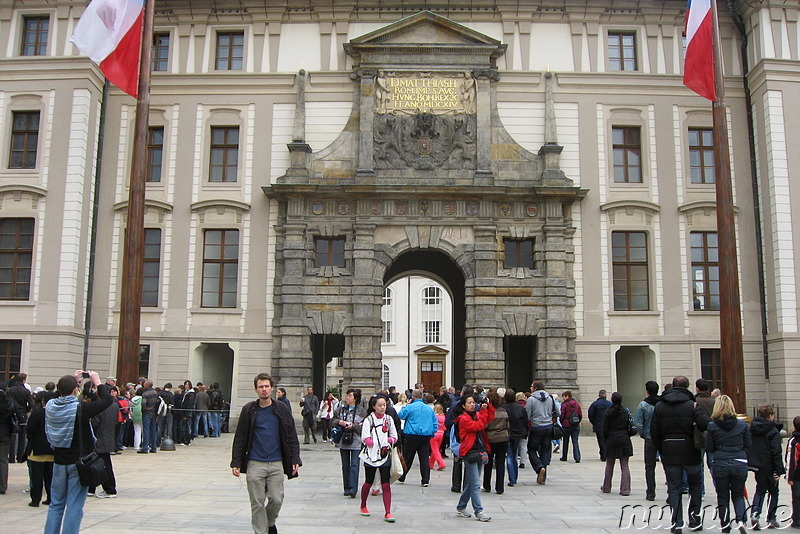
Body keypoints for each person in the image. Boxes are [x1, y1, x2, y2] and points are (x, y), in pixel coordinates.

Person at [231, 373, 301, 534]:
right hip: (255, 463)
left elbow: (291, 435)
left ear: (271, 388)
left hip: (276, 462)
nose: (264, 389)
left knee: (276, 499)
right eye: (261, 387)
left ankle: (269, 523)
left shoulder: (281, 408)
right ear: (256, 389)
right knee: (257, 502)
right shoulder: (249, 409)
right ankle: (261, 532)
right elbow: (240, 437)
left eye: (266, 386)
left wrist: (295, 458)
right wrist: (236, 462)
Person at [44, 371, 113, 534]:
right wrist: (98, 383)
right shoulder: (80, 409)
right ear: (76, 390)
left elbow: (57, 394)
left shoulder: (51, 406)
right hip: (78, 462)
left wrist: (71, 382)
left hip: (59, 461)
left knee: (56, 504)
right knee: (74, 506)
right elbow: (107, 400)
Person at [651, 375, 710, 533]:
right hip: (691, 449)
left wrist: (661, 448)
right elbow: (705, 425)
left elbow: (654, 432)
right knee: (695, 486)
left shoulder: (660, 406)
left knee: (674, 488)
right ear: (687, 387)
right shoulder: (692, 405)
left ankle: (677, 522)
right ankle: (694, 519)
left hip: (669, 449)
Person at [706, 395, 750, 533]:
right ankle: (741, 520)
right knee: (738, 494)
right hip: (739, 461)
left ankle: (725, 524)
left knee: (722, 496)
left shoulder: (712, 426)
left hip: (721, 461)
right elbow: (748, 444)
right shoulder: (742, 425)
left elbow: (709, 447)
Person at [453, 394, 495, 522]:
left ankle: (461, 506)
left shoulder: (476, 415)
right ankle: (479, 510)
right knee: (476, 483)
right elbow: (478, 426)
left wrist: (488, 406)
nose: (472, 404)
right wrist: (482, 411)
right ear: (463, 406)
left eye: (473, 402)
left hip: (479, 451)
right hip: (469, 452)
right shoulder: (463, 419)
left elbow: (489, 418)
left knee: (472, 482)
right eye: (469, 403)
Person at [358, 395, 398, 523]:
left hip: (384, 454)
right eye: (380, 405)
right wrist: (371, 442)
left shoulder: (389, 419)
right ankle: (363, 505)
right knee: (369, 481)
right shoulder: (368, 420)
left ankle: (388, 511)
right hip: (370, 455)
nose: (382, 407)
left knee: (385, 483)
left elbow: (394, 435)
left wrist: (389, 440)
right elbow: (365, 437)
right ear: (373, 406)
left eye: (384, 405)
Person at [748, 404, 785, 529]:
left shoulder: (752, 428)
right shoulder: (772, 430)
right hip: (769, 464)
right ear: (770, 416)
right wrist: (779, 469)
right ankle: (771, 517)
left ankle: (755, 513)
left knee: (760, 489)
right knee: (774, 491)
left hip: (757, 464)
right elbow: (776, 451)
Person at [397, 388, 438, 486]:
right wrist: (431, 432)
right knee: (424, 458)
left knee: (408, 457)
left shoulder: (410, 407)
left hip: (411, 435)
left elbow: (400, 415)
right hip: (425, 435)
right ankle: (425, 480)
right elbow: (435, 423)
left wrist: (406, 405)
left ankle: (402, 476)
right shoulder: (429, 408)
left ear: (413, 397)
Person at [332, 389, 365, 498]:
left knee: (354, 465)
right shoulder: (340, 410)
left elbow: (364, 426)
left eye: (350, 396)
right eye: (347, 396)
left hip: (356, 441)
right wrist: (339, 422)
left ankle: (353, 488)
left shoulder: (361, 411)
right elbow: (332, 421)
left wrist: (353, 426)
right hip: (343, 441)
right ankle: (346, 487)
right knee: (345, 465)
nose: (347, 398)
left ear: (355, 398)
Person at [26, 391, 56, 506]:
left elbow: (30, 429)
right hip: (52, 448)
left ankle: (35, 499)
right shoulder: (56, 413)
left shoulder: (38, 413)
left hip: (37, 449)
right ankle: (50, 497)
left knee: (37, 476)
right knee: (50, 476)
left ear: (43, 401)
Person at [600, 392, 633, 496]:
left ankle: (606, 487)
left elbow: (604, 428)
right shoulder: (625, 411)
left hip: (612, 438)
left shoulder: (608, 412)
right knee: (624, 465)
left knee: (609, 464)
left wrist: (605, 439)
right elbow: (629, 425)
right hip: (624, 437)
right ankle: (625, 489)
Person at [88, 385, 118, 498]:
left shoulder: (100, 407)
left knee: (101, 465)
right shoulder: (114, 405)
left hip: (99, 438)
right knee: (104, 464)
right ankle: (92, 487)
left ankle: (109, 489)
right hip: (108, 437)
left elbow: (95, 423)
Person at [525, 381, 557, 485]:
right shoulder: (550, 398)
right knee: (545, 450)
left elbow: (527, 415)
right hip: (548, 427)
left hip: (536, 427)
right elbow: (558, 412)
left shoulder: (531, 399)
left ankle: (539, 468)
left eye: (531, 386)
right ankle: (543, 477)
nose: (530, 388)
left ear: (535, 388)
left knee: (532, 449)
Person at [634, 380, 660, 501]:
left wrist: (643, 434)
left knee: (649, 466)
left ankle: (651, 492)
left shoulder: (643, 405)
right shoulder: (663, 403)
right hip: (662, 437)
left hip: (649, 438)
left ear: (647, 391)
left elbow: (638, 423)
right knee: (668, 465)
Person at [482, 389, 509, 495]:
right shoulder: (503, 411)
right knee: (500, 463)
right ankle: (500, 487)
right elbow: (507, 426)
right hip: (503, 438)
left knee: (488, 463)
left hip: (491, 439)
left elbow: (485, 425)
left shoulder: (489, 412)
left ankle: (487, 485)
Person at [1, 385, 26, 495]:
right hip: (6, 434)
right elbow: (19, 417)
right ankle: (2, 486)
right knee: (3, 460)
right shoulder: (9, 403)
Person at [7, 373, 34, 464]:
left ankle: (11, 456)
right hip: (22, 414)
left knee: (12, 436)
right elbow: (31, 404)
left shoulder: (10, 390)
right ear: (24, 380)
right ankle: (19, 456)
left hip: (12, 414)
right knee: (22, 437)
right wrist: (26, 410)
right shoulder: (25, 391)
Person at [503, 389, 527, 487]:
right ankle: (515, 477)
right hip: (518, 434)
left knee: (509, 456)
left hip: (507, 433)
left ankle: (512, 479)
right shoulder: (520, 407)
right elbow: (525, 420)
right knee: (514, 455)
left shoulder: (503, 407)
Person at [588, 390, 612, 461]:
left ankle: (603, 454)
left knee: (600, 441)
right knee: (607, 440)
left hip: (598, 426)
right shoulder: (609, 404)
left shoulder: (594, 404)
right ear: (605, 395)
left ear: (599, 395)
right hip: (608, 426)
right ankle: (607, 454)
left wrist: (594, 422)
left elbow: (590, 415)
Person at [785, 415, 800, 529]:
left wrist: (789, 476)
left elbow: (791, 459)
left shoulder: (793, 441)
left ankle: (797, 519)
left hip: (797, 475)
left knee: (796, 497)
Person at [559, 390, 582, 463]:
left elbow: (562, 415)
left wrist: (562, 421)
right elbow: (580, 414)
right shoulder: (577, 404)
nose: (563, 398)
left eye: (563, 397)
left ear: (567, 396)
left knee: (565, 441)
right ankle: (577, 457)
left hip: (566, 425)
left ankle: (564, 456)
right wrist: (577, 421)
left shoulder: (564, 405)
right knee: (575, 441)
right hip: (576, 425)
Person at [139, 380, 160, 453]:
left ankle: (145, 448)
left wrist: (143, 410)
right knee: (153, 430)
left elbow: (143, 404)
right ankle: (153, 447)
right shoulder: (155, 393)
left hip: (147, 413)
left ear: (147, 385)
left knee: (146, 430)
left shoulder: (145, 394)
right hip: (154, 413)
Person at [429, 403, 447, 471]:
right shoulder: (443, 417)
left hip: (434, 434)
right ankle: (431, 463)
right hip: (441, 434)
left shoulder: (434, 417)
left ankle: (441, 463)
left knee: (435, 450)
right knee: (436, 449)